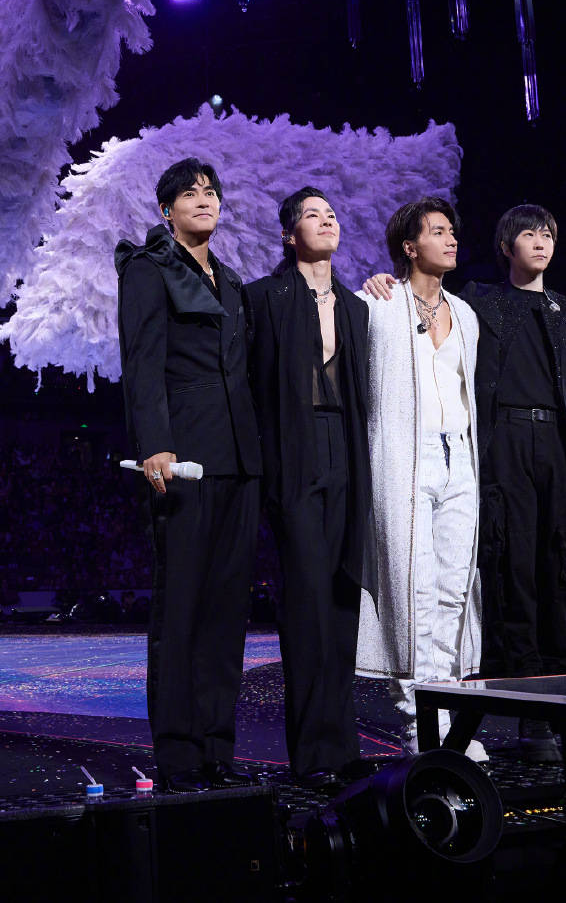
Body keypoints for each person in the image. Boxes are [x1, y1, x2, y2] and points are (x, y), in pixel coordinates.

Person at [365, 203, 566, 761]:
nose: (540, 242)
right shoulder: (480, 301)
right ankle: (517, 719)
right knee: (509, 579)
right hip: (498, 448)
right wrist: (382, 279)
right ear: (505, 246)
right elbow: (415, 297)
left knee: (558, 580)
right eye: (528, 234)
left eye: (548, 234)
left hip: (555, 451)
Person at [115, 157, 262, 792]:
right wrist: (156, 445)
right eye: (190, 193)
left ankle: (216, 748)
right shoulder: (148, 269)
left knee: (227, 611)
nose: (204, 200)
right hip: (183, 459)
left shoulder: (230, 280)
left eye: (211, 192)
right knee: (181, 607)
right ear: (167, 209)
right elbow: (142, 361)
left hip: (238, 459)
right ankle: (177, 754)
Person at [243, 187, 375, 789]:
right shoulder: (263, 298)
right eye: (313, 215)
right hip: (292, 454)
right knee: (305, 600)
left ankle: (342, 747)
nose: (327, 222)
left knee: (343, 597)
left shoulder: (356, 306)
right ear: (288, 234)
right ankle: (312, 753)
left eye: (332, 215)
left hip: (345, 449)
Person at [356, 198, 487, 762]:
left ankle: (453, 718)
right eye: (437, 231)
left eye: (452, 230)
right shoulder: (378, 304)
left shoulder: (466, 314)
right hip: (404, 459)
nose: (451, 238)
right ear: (410, 248)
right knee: (413, 589)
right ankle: (421, 723)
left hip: (460, 459)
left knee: (455, 588)